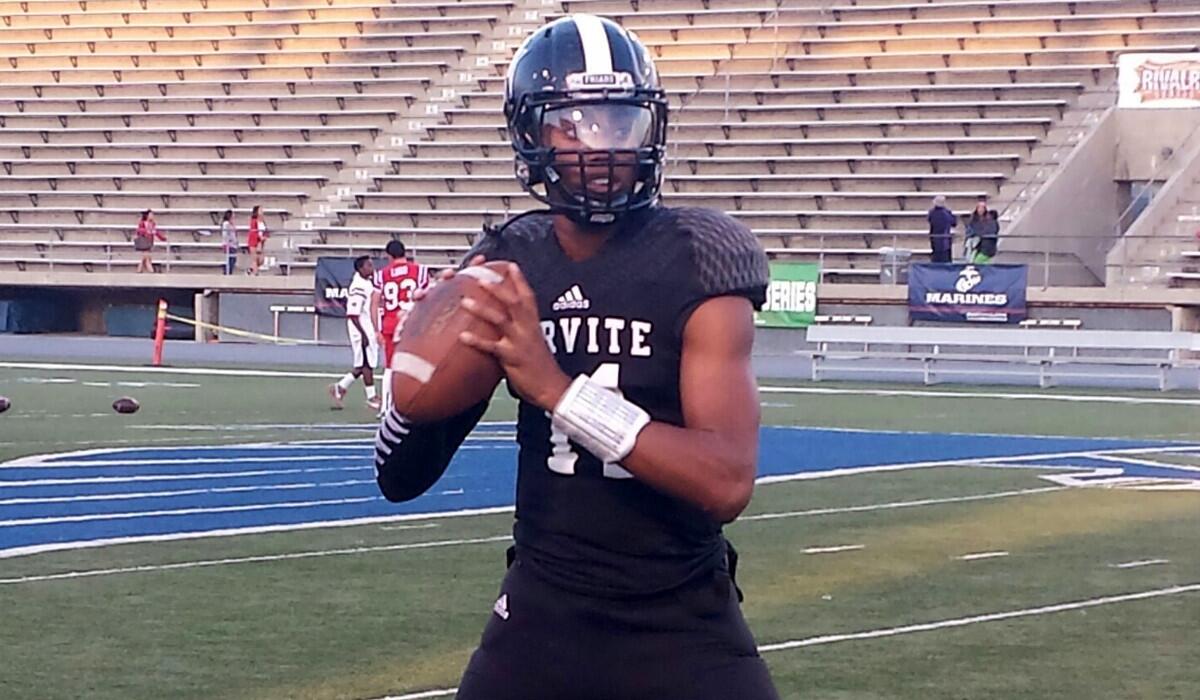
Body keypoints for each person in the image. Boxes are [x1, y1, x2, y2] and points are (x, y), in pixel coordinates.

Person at [373, 14, 778, 700]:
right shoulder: (510, 263)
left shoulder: (700, 258)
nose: (604, 147)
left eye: (620, 122)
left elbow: (726, 481)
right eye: (576, 124)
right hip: (542, 612)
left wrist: (558, 391)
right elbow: (400, 476)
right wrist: (419, 368)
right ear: (532, 137)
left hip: (680, 620)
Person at [370, 240, 430, 417]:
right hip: (414, 324)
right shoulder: (419, 271)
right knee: (418, 365)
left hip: (391, 324)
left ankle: (387, 408)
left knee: (390, 367)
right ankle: (420, 402)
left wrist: (376, 329)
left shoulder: (382, 275)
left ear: (388, 256)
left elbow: (374, 303)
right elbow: (429, 296)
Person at [328, 256, 380, 410]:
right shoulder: (358, 286)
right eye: (368, 265)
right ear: (360, 269)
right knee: (366, 364)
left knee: (363, 364)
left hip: (367, 327)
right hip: (361, 329)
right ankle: (371, 397)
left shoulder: (366, 283)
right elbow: (352, 313)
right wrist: (363, 334)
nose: (372, 268)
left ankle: (340, 387)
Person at [134, 209, 166, 273]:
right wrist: (147, 231)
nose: (152, 216)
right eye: (151, 214)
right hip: (144, 242)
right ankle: (151, 271)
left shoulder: (152, 224)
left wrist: (163, 238)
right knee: (147, 258)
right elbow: (139, 230)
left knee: (145, 258)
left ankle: (139, 270)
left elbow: (156, 232)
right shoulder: (143, 223)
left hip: (149, 242)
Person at [927, 194, 956, 264]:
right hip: (945, 240)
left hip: (936, 239)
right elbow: (954, 223)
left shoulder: (932, 213)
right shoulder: (947, 213)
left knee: (936, 259)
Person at [247, 205, 269, 275]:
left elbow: (266, 231)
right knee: (255, 259)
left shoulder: (263, 221)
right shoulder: (253, 221)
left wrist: (265, 237)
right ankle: (255, 274)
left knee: (261, 260)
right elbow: (253, 232)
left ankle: (250, 269)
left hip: (261, 243)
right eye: (260, 210)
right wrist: (259, 237)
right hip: (253, 242)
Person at [220, 209, 238, 275]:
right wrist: (229, 240)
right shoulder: (226, 223)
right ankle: (227, 272)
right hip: (229, 245)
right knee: (230, 260)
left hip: (233, 245)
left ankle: (229, 272)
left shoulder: (231, 224)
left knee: (233, 260)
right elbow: (225, 234)